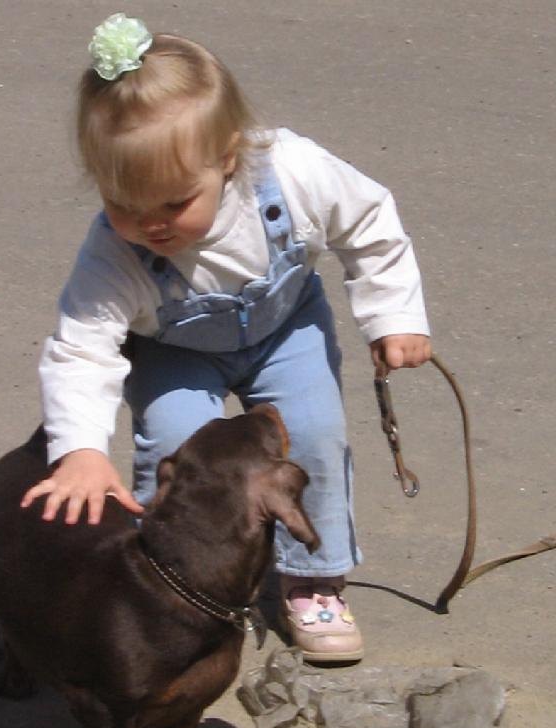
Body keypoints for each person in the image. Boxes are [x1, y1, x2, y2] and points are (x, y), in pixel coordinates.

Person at [21, 12, 431, 663]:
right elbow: (81, 349)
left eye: (174, 202)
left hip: (286, 329)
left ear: (228, 157)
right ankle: (172, 580)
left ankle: (313, 580)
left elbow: (370, 224)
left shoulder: (292, 171)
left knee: (315, 439)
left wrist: (393, 316)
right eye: (125, 205)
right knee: (177, 451)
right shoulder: (112, 257)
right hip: (175, 352)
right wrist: (82, 451)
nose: (152, 226)